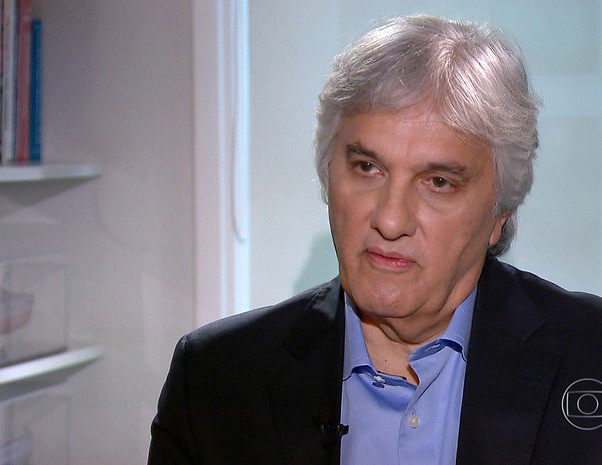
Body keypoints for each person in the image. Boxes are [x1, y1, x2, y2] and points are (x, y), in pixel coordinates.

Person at [148, 14, 602, 465]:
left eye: (438, 182)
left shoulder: (590, 354)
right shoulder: (214, 379)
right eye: (368, 167)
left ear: (500, 212)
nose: (390, 219)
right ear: (328, 174)